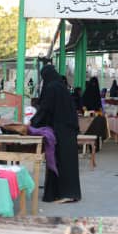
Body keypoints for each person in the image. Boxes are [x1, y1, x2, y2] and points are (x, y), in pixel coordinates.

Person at [30, 63, 81, 204]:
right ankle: (67, 193)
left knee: (61, 161)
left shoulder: (52, 88)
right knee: (67, 162)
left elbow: (45, 109)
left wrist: (32, 123)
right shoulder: (60, 86)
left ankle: (65, 194)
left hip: (61, 130)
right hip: (68, 129)